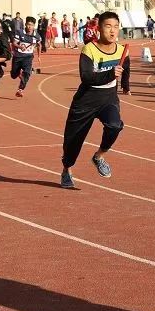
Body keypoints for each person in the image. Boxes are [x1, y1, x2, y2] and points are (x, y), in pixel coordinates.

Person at [59, 11, 130, 189]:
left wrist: (126, 87)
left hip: (108, 99)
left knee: (115, 125)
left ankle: (99, 156)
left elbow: (125, 69)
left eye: (116, 26)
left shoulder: (122, 50)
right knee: (73, 141)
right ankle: (67, 169)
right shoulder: (89, 49)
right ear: (99, 28)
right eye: (108, 26)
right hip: (86, 100)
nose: (113, 31)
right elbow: (87, 77)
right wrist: (110, 74)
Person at [10, 16, 41, 97]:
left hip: (28, 57)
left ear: (34, 26)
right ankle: (18, 73)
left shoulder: (36, 36)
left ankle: (20, 89)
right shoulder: (19, 32)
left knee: (27, 73)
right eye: (28, 25)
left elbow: (39, 45)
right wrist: (20, 47)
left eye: (31, 25)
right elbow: (14, 43)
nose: (29, 27)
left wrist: (39, 56)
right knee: (13, 75)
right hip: (18, 57)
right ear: (25, 25)